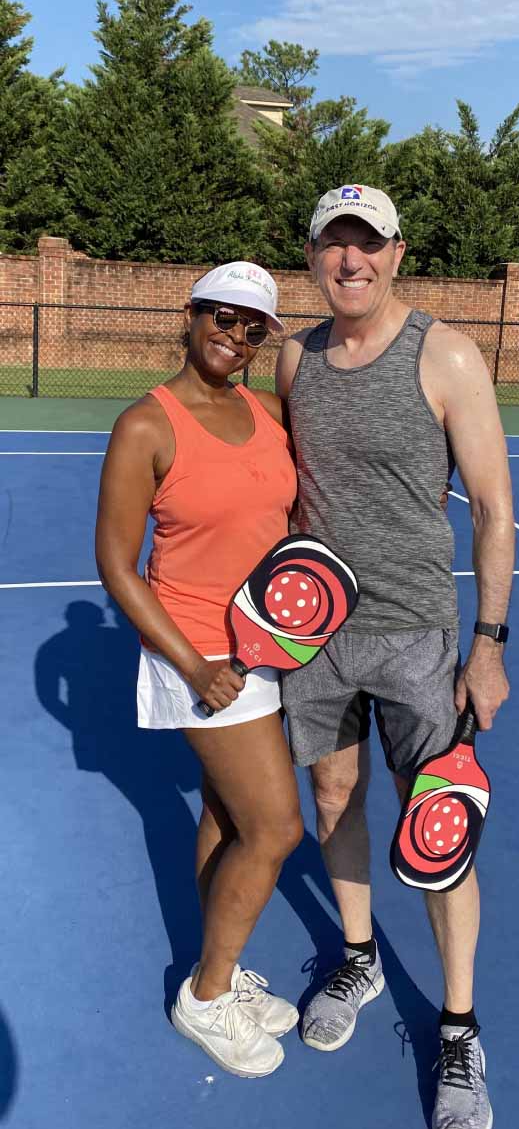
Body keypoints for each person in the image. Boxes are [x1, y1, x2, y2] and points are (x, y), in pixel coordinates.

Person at [276, 186, 514, 1129]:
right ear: (312, 258)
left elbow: (494, 508)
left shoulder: (445, 354)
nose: (351, 260)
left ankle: (458, 1028)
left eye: (367, 244)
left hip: (419, 637)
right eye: (334, 244)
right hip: (317, 638)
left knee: (439, 830)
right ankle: (360, 955)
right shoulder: (293, 358)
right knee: (334, 799)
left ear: (397, 253)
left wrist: (488, 643)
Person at [95, 262, 304, 1079]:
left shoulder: (268, 412)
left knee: (226, 810)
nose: (235, 335)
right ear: (190, 315)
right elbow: (117, 565)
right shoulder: (146, 424)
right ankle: (207, 996)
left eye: (254, 327)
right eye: (222, 316)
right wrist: (193, 666)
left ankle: (221, 962)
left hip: (264, 650)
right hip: (198, 657)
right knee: (276, 828)